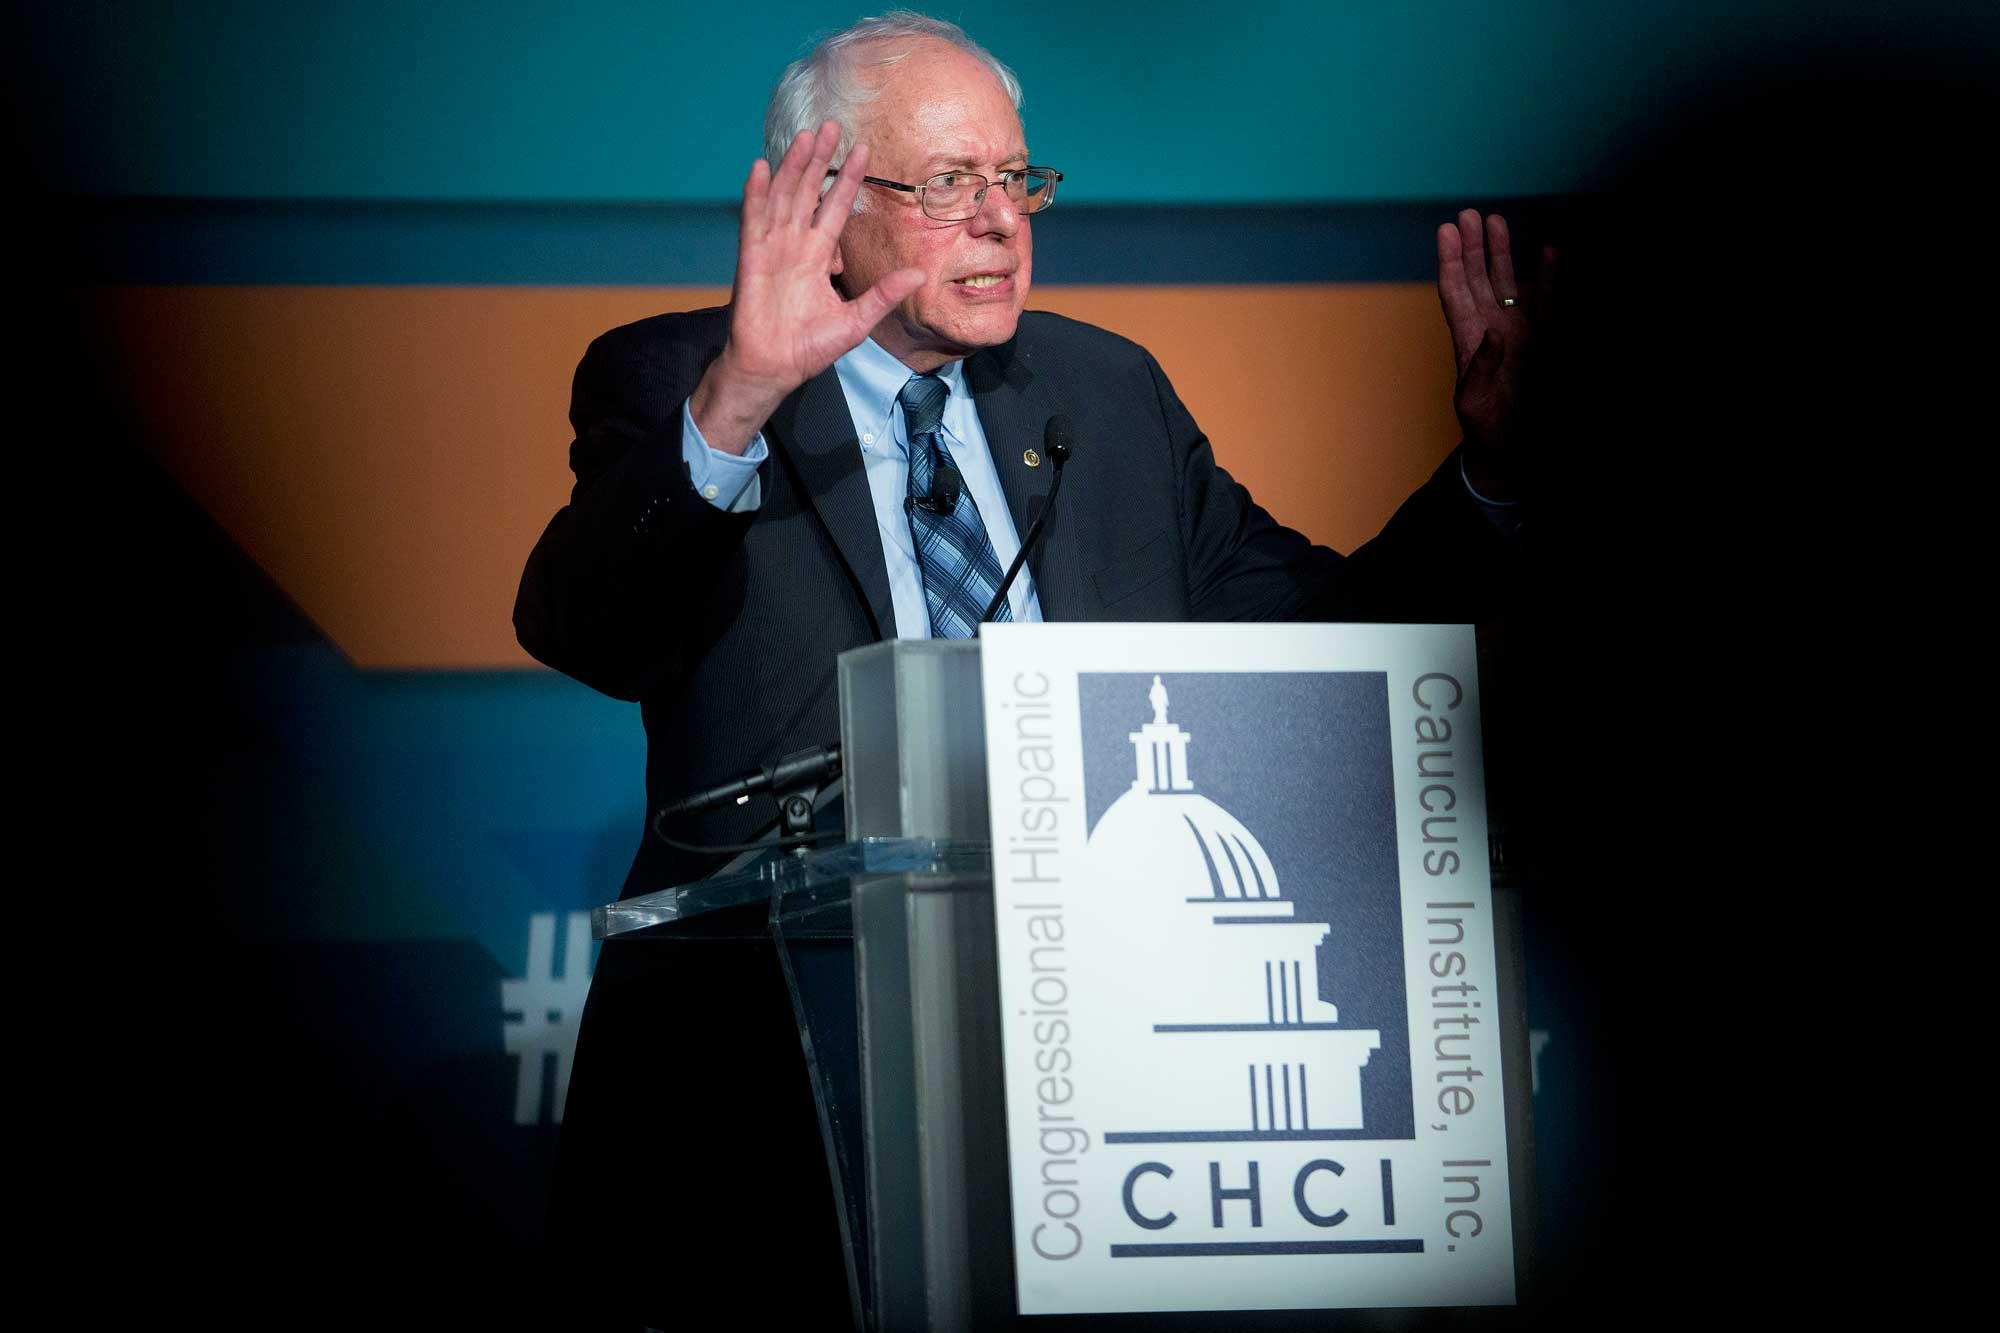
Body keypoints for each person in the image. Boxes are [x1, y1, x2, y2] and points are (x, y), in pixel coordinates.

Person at [515, 12, 1539, 1324]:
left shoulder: (1104, 394)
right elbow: (582, 628)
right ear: (829, 206)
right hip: (772, 1097)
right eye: (949, 183)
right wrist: (740, 401)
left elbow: (1325, 639)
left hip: (1104, 1095)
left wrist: (1495, 474)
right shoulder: (682, 377)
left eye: (1015, 178)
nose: (1001, 220)